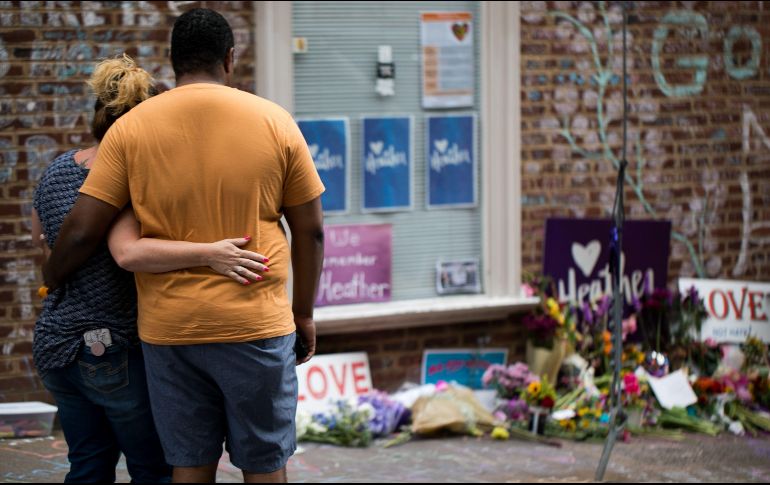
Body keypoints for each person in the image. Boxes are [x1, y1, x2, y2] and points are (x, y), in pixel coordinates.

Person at [42, 8, 325, 484]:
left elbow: (83, 229)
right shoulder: (275, 121)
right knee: (264, 464)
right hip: (255, 324)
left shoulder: (131, 130)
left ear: (173, 63)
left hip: (170, 332)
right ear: (230, 59)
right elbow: (311, 231)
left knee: (188, 465)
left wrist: (51, 277)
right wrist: (304, 315)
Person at [32, 54, 268, 483]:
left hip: (56, 345)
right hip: (114, 348)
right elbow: (127, 252)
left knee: (87, 465)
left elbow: (43, 242)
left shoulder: (55, 170)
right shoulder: (126, 173)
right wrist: (209, 252)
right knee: (154, 470)